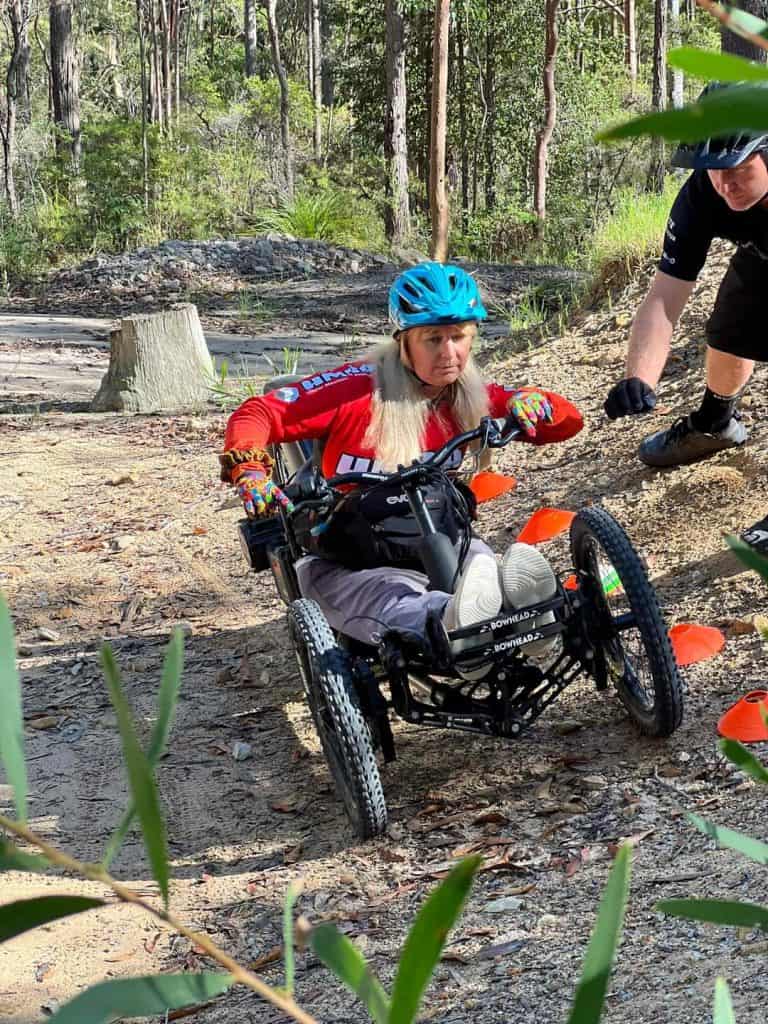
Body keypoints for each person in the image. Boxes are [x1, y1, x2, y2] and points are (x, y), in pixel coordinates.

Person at [219, 262, 582, 662]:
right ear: (403, 340)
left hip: (446, 544)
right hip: (350, 560)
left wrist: (531, 401)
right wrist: (250, 470)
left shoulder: (471, 395)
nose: (449, 353)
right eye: (433, 339)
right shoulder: (355, 389)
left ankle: (521, 615)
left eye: (459, 337)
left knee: (480, 565)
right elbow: (259, 413)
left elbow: (567, 424)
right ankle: (452, 623)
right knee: (395, 599)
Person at [603, 81, 768, 552]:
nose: (724, 182)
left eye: (737, 166)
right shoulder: (704, 195)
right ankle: (715, 422)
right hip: (762, 254)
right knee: (729, 332)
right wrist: (639, 377)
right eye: (712, 168)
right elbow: (664, 299)